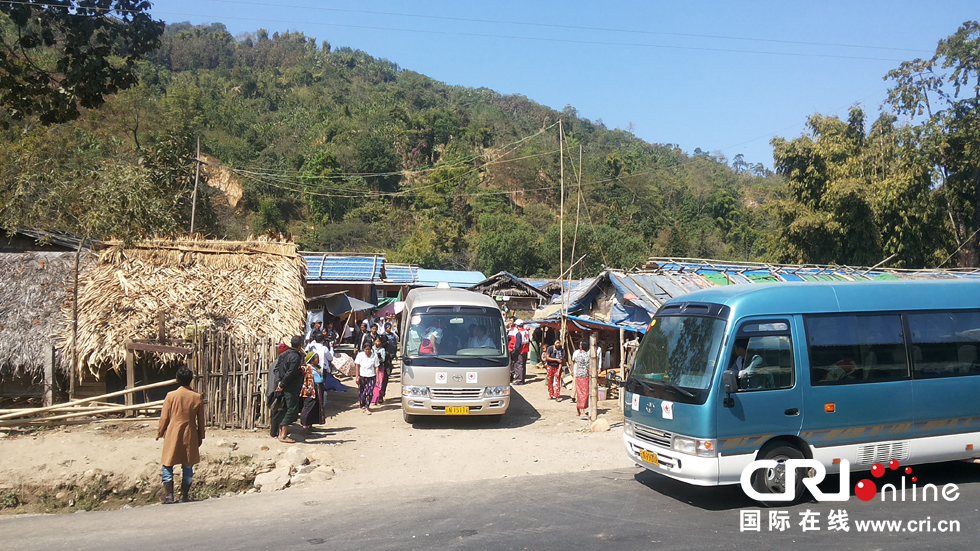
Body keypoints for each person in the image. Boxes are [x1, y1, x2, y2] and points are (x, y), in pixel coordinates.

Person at [156, 366, 205, 504]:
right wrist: (201, 436)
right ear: (191, 380)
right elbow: (201, 421)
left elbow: (164, 418)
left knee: (167, 463)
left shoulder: (171, 396)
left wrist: (160, 432)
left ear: (177, 379)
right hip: (190, 432)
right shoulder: (197, 397)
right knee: (188, 464)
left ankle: (169, 495)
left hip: (173, 432)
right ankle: (184, 495)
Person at [275, 335, 305, 443]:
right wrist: (282, 384)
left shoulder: (284, 354)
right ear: (300, 345)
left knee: (284, 408)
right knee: (292, 408)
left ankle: (280, 433)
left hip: (282, 384)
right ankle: (283, 435)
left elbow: (277, 369)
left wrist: (279, 382)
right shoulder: (295, 357)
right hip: (290, 385)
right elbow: (290, 372)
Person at [267, 342, 290, 438]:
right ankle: (275, 432)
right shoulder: (282, 364)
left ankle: (274, 431)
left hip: (272, 390)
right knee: (278, 411)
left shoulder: (275, 362)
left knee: (275, 412)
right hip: (276, 390)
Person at [300, 351, 325, 429]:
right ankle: (305, 424)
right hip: (311, 389)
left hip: (319, 388)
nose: (318, 359)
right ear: (311, 360)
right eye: (316, 358)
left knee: (315, 406)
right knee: (309, 405)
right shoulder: (307, 367)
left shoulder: (318, 367)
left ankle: (310, 424)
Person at [354, 341, 380, 414]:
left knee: (368, 392)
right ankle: (362, 403)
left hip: (371, 376)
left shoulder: (374, 356)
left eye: (369, 349)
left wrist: (378, 378)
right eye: (366, 349)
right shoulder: (360, 355)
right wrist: (356, 377)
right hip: (362, 376)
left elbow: (376, 367)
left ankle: (367, 407)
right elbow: (357, 366)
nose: (367, 351)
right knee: (361, 392)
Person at [571, 341, 591, 419]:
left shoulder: (578, 354)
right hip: (584, 376)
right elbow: (588, 366)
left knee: (579, 393)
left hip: (578, 375)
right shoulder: (586, 356)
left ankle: (578, 411)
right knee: (584, 393)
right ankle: (582, 411)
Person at [508, 319, 530, 384]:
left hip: (520, 351)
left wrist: (515, 353)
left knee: (519, 365)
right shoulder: (526, 331)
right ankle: (522, 379)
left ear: (517, 325)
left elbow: (518, 345)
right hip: (525, 351)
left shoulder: (519, 333)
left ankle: (519, 381)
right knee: (523, 365)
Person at [371, 336, 387, 405]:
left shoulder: (382, 350)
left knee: (379, 383)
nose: (377, 343)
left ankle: (377, 398)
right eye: (376, 341)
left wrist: (377, 360)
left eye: (379, 341)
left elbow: (383, 359)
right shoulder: (371, 349)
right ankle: (372, 398)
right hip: (372, 368)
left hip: (380, 368)